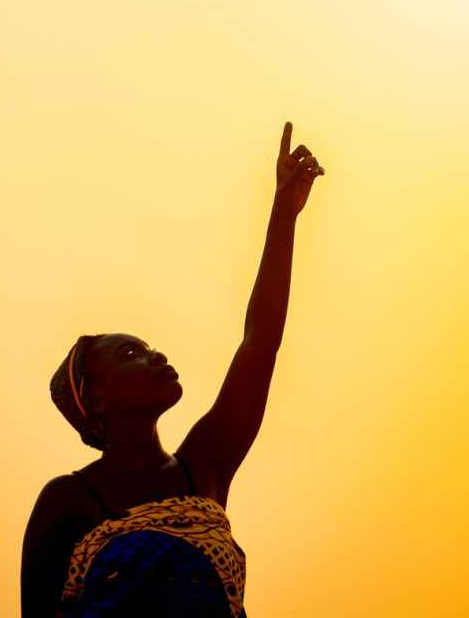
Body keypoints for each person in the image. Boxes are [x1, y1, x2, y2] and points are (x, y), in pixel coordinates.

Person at [21, 122, 325, 616]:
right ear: (97, 398)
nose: (155, 356)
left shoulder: (203, 467)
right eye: (129, 355)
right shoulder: (67, 502)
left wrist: (284, 212)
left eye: (147, 347)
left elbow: (261, 342)